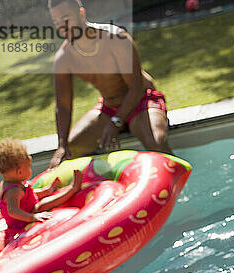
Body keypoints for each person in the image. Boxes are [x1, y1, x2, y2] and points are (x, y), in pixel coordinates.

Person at [47, 0, 173, 169]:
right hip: (109, 107)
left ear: (81, 13)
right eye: (56, 22)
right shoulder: (64, 58)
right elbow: (63, 106)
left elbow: (135, 88)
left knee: (156, 144)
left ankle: (179, 188)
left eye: (66, 18)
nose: (62, 26)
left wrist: (116, 122)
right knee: (72, 149)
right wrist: (62, 144)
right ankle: (105, 179)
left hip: (141, 101)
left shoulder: (115, 38)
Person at [0, 139, 83, 231]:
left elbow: (26, 196)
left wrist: (46, 190)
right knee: (43, 205)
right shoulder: (13, 191)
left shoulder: (11, 182)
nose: (30, 169)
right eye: (29, 167)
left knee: (42, 201)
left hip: (27, 210)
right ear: (20, 172)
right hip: (22, 221)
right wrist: (32, 217)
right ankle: (73, 188)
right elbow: (13, 211)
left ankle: (53, 191)